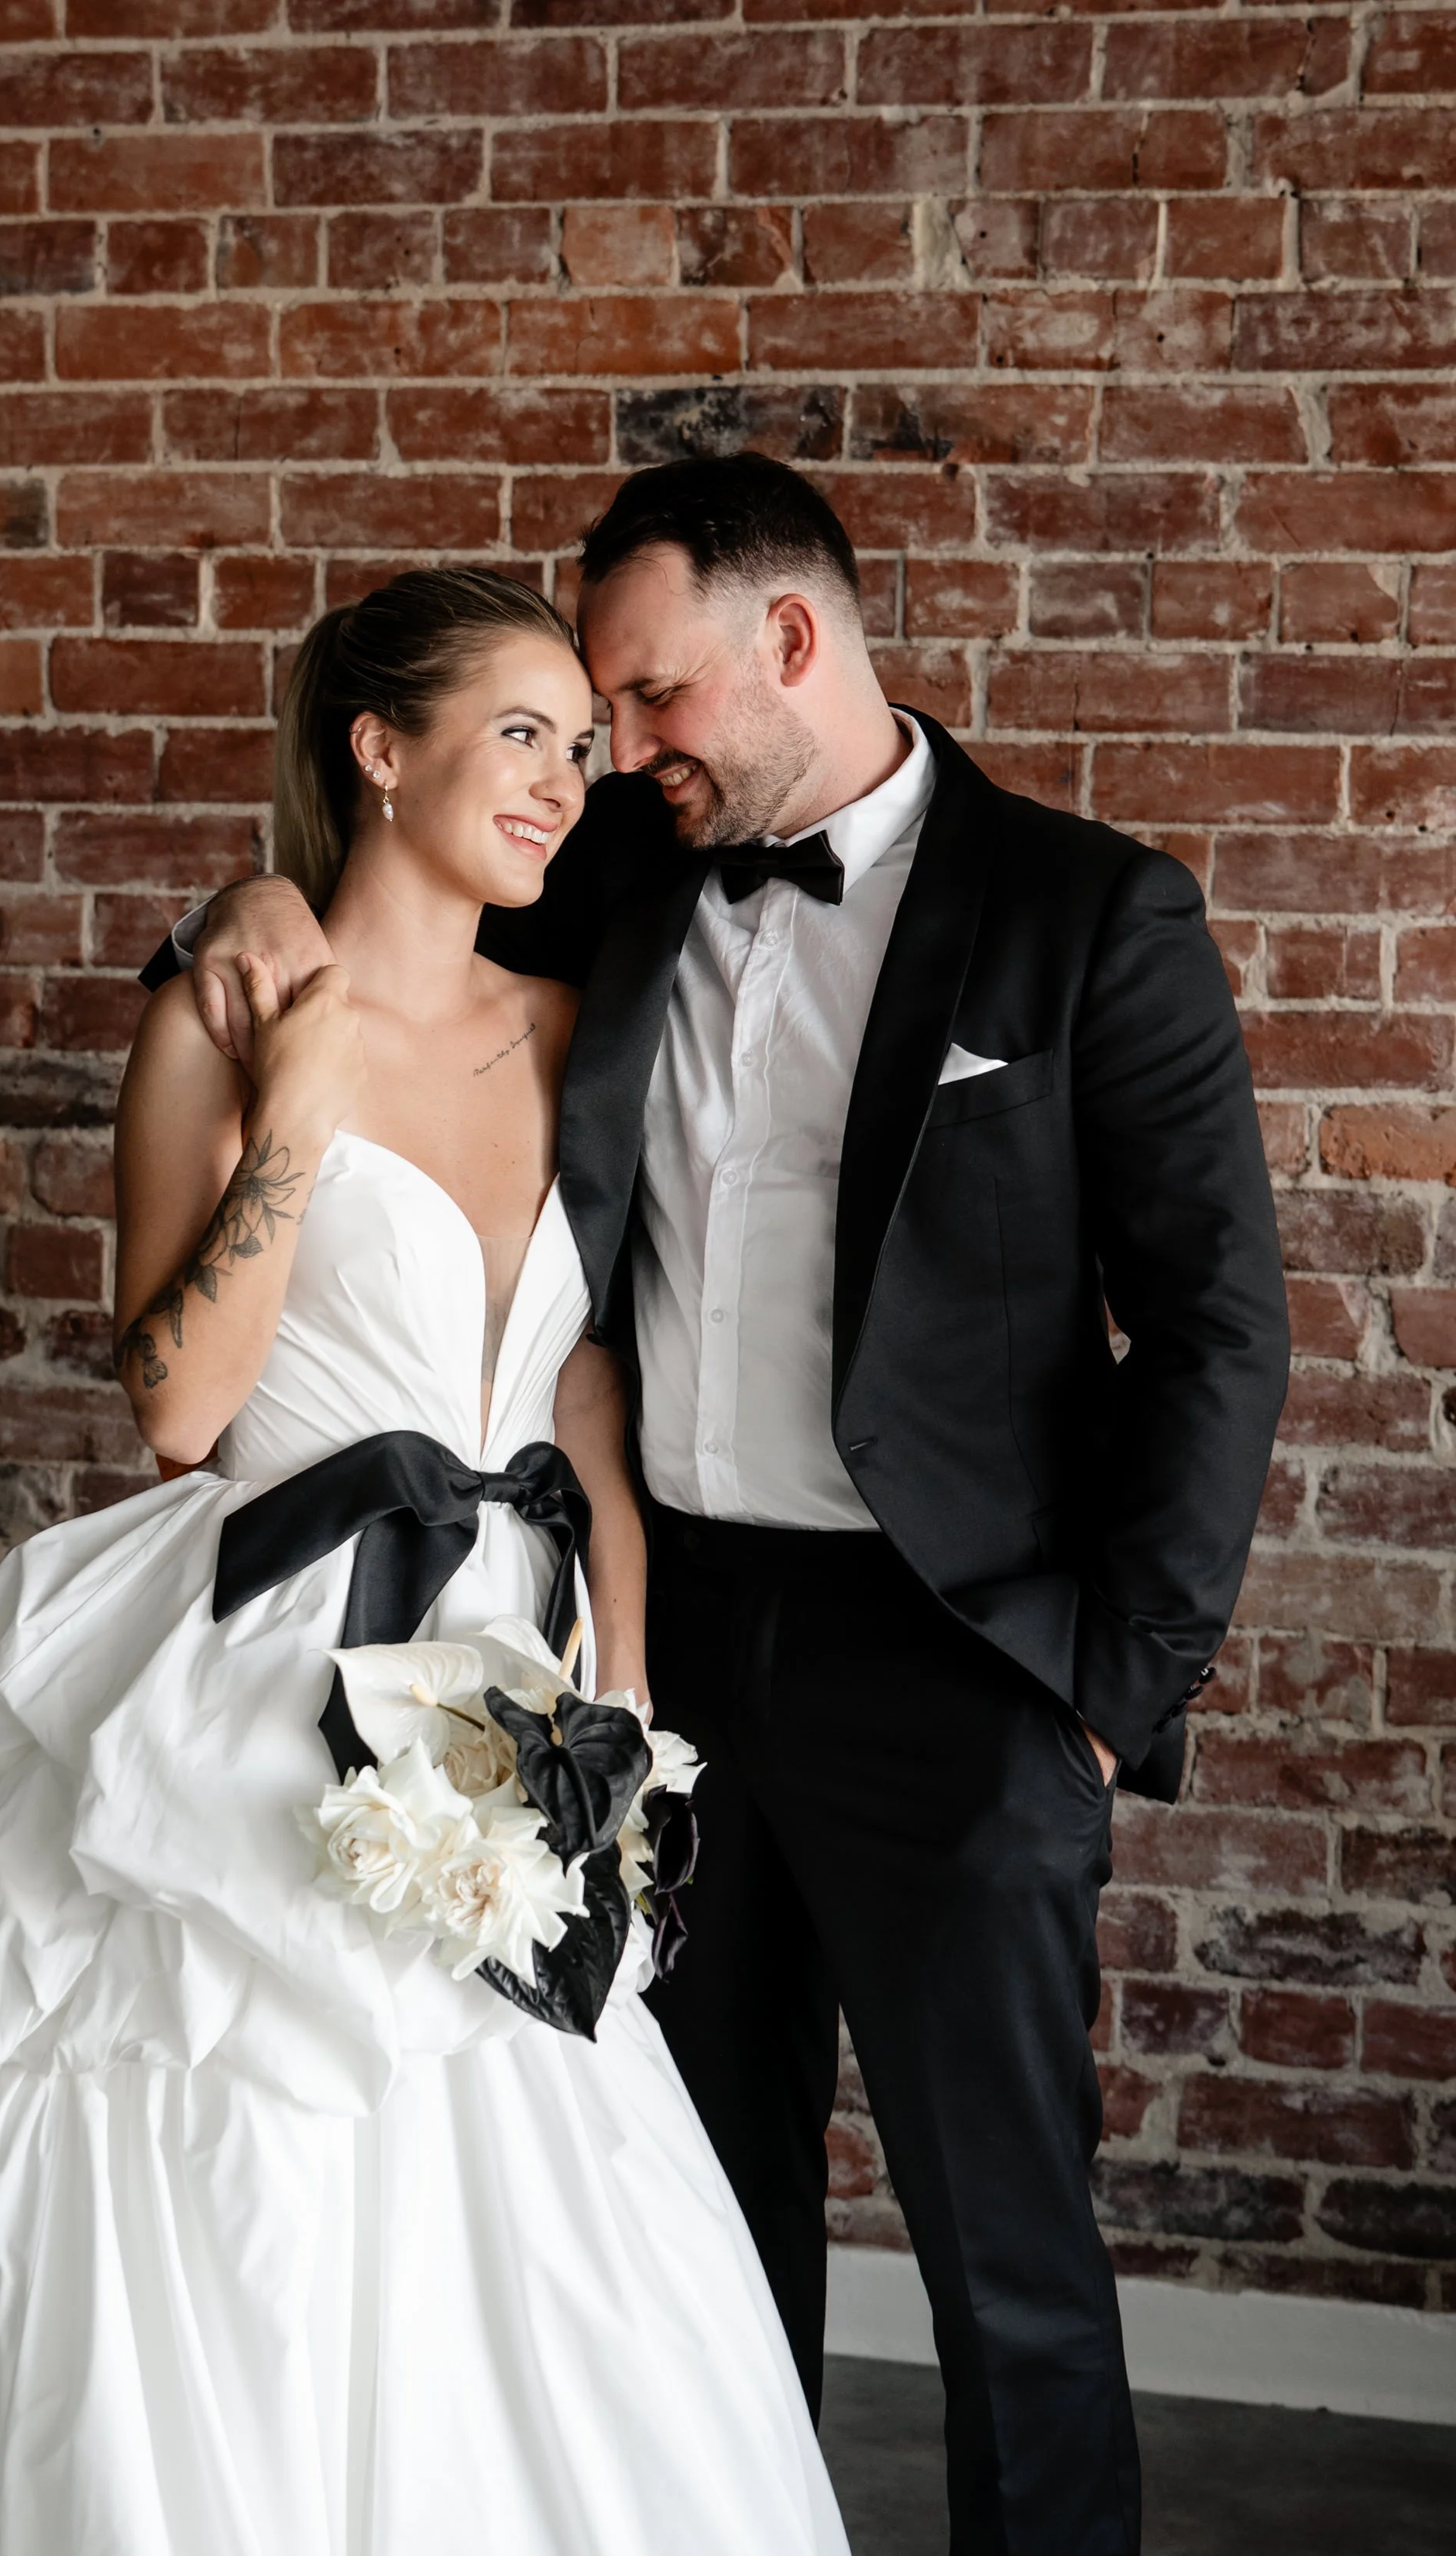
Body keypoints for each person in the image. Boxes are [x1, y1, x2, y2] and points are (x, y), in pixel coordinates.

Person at [157, 457, 1292, 2556]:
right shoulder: (626, 875)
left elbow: (1217, 1324)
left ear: (791, 639)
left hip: (958, 1662)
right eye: (592, 717)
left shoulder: (1082, 912)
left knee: (1005, 2255)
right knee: (691, 2214)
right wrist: (239, 912)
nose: (618, 754)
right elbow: (372, 898)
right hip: (652, 1645)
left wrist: (1112, 1686)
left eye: (651, 699)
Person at [0, 569, 848, 2556]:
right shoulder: (220, 1017)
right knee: (228, 2125)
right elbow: (175, 1412)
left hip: (513, 1688)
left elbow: (582, 1391)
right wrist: (296, 1114)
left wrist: (619, 1678)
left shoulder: (586, 1029)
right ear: (379, 749)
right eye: (522, 733)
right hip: (275, 1665)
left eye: (584, 750)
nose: (565, 782)